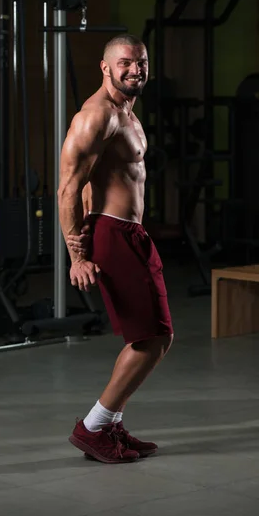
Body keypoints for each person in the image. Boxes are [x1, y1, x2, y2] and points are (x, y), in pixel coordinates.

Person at [57, 34, 174, 464]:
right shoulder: (96, 116)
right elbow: (68, 187)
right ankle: (93, 427)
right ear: (105, 67)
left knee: (156, 336)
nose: (135, 70)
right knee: (151, 337)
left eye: (141, 62)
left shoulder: (126, 109)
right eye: (125, 63)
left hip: (130, 233)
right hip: (112, 233)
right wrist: (78, 255)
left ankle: (110, 425)